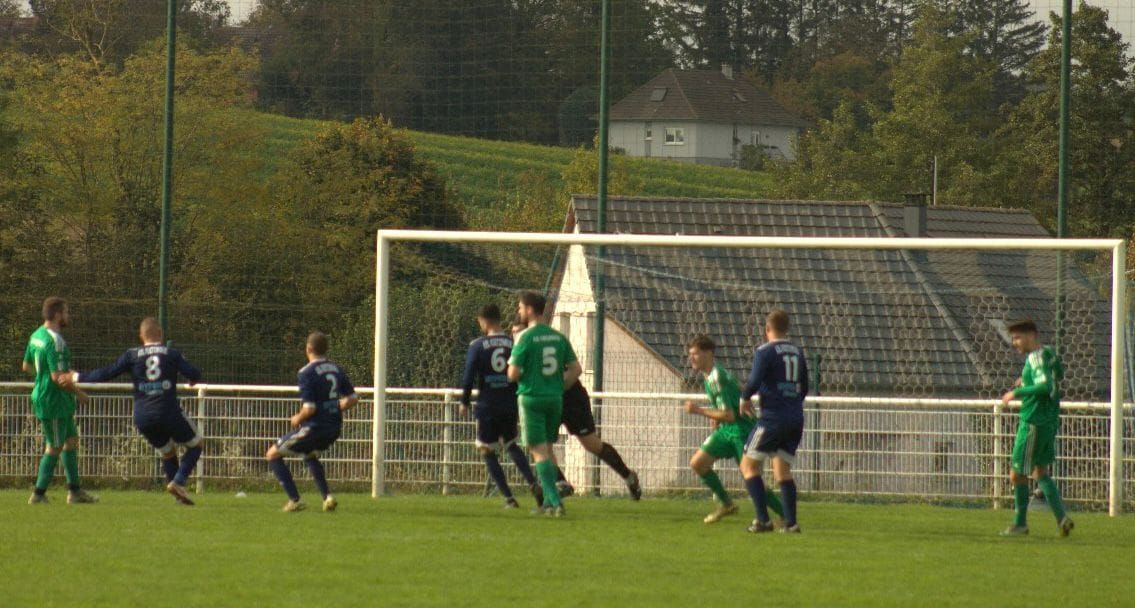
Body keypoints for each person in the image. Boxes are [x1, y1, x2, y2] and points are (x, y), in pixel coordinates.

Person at [69, 317, 204, 505]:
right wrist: (192, 379)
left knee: (167, 452)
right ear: (161, 334)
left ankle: (179, 497)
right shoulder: (171, 354)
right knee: (196, 444)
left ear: (141, 336)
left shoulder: (132, 355)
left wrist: (77, 376)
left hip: (143, 417)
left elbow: (107, 373)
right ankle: (179, 481)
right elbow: (195, 373)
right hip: (168, 411)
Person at [510, 323, 641, 501]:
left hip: (572, 398)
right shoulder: (521, 355)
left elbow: (575, 370)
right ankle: (561, 484)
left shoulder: (541, 346)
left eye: (519, 332)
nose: (516, 336)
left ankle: (628, 476)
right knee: (544, 445)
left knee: (591, 444)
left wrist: (557, 388)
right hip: (548, 400)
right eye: (514, 333)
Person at [684, 334, 782, 524]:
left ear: (708, 353)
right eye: (690, 354)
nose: (691, 358)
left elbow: (729, 414)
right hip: (728, 430)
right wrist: (716, 421)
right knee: (698, 463)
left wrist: (698, 410)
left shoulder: (717, 376)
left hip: (741, 430)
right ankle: (726, 503)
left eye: (695, 354)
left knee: (751, 476)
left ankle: (785, 515)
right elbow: (729, 403)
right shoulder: (711, 375)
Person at [507, 291, 581, 517]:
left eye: (520, 307)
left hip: (532, 398)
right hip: (555, 399)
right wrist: (560, 386)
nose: (519, 311)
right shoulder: (558, 336)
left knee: (538, 451)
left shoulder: (526, 338)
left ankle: (555, 502)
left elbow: (512, 373)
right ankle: (549, 502)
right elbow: (576, 369)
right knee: (548, 448)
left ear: (529, 309)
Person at [266, 332, 359, 512]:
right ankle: (327, 497)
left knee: (272, 454)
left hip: (315, 427)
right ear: (326, 349)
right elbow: (352, 399)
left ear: (308, 349)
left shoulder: (306, 373)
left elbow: (309, 409)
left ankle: (294, 499)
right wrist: (332, 408)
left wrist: (297, 418)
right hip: (334, 427)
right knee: (309, 454)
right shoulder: (336, 369)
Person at [460, 304, 541, 509]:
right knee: (511, 444)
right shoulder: (512, 343)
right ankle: (532, 483)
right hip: (509, 403)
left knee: (487, 450)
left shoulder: (477, 345)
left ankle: (509, 498)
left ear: (484, 321)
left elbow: (469, 375)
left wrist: (464, 401)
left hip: (487, 405)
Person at [999, 320, 1074, 537]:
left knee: (1016, 475)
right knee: (1040, 472)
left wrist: (1017, 393)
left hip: (1033, 421)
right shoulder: (1049, 352)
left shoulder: (1035, 357)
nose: (1015, 343)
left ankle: (1020, 523)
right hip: (1049, 422)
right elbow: (1058, 375)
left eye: (1017, 338)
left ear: (1031, 335)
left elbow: (1045, 386)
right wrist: (1026, 379)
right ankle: (1062, 519)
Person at [22, 296, 96, 505]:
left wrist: (43, 377)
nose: (68, 316)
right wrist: (79, 393)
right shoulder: (54, 341)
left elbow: (26, 366)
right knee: (54, 446)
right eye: (66, 312)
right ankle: (38, 494)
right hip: (53, 400)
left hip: (55, 399)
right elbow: (57, 378)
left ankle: (75, 492)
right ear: (57, 315)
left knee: (70, 441)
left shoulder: (36, 335)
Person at [739, 310, 807, 534]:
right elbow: (804, 387)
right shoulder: (798, 352)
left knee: (748, 465)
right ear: (787, 329)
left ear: (767, 329)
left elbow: (755, 380)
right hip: (795, 417)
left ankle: (763, 520)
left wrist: (745, 397)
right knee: (782, 471)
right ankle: (791, 523)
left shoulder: (764, 352)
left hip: (773, 418)